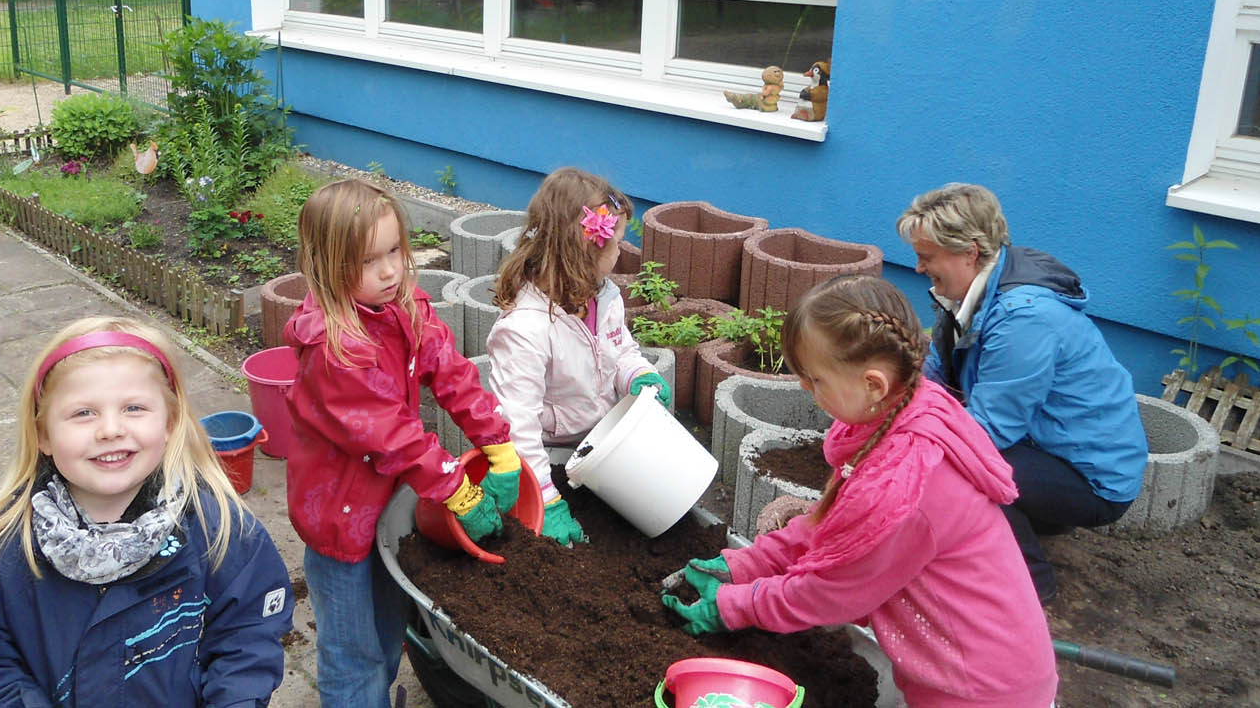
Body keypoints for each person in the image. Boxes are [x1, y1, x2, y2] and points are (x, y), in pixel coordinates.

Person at [662, 275, 1058, 707]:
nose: (805, 389)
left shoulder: (906, 484)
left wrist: (731, 606)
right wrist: (744, 565)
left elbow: (826, 591)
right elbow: (830, 527)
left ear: (873, 384)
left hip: (978, 692)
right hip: (973, 668)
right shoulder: (903, 413)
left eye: (815, 380)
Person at [0, 316, 294, 707]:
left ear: (169, 423)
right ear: (43, 433)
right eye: (84, 413)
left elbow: (248, 633)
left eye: (133, 408)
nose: (110, 430)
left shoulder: (221, 530)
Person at [282, 177, 520, 708]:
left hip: (388, 505)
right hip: (339, 523)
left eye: (395, 251)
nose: (390, 270)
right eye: (370, 261)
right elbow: (394, 436)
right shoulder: (332, 349)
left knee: (389, 633)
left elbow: (450, 369)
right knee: (352, 655)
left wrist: (496, 442)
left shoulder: (401, 305)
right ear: (327, 264)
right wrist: (456, 489)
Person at [897, 182, 1147, 602]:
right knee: (940, 450)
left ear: (969, 252)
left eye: (926, 257)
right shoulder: (973, 293)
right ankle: (1031, 516)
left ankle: (1031, 586)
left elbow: (988, 433)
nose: (919, 268)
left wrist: (904, 449)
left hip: (1094, 477)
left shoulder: (1024, 319)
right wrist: (897, 408)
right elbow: (937, 376)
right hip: (1049, 449)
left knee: (962, 468)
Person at [486, 166, 673, 545]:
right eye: (617, 242)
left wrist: (637, 374)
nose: (622, 251)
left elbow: (620, 352)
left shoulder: (603, 297)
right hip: (550, 457)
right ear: (585, 250)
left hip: (599, 447)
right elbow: (518, 428)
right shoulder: (525, 330)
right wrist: (545, 498)